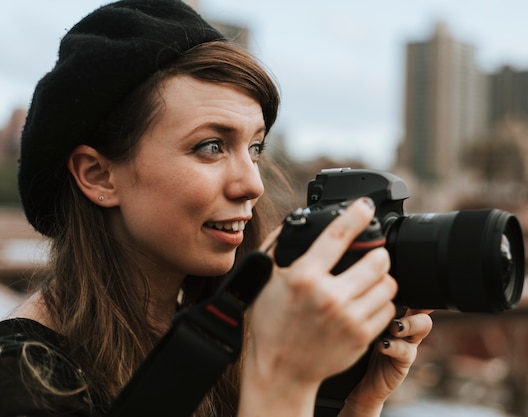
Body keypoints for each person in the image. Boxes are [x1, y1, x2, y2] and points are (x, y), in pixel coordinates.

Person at [0, 1, 433, 416]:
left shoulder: (214, 344)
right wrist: (283, 379)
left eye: (256, 148)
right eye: (211, 146)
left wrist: (354, 403)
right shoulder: (24, 381)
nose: (253, 184)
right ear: (97, 175)